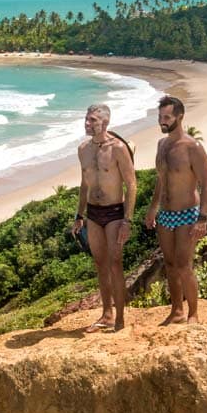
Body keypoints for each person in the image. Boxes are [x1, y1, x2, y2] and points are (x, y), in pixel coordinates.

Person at [144, 96, 207, 325]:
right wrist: (153, 208)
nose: (162, 121)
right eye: (160, 117)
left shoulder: (193, 147)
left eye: (166, 117)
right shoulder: (161, 145)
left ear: (179, 117)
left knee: (184, 265)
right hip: (165, 214)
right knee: (170, 265)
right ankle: (176, 311)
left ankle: (193, 313)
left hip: (187, 214)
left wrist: (202, 218)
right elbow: (161, 180)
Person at [72, 104, 137, 332]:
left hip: (114, 213)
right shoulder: (83, 149)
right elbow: (84, 184)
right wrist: (79, 215)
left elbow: (131, 185)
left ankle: (120, 319)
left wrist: (127, 220)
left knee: (115, 264)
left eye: (92, 120)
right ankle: (106, 314)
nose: (87, 124)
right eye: (86, 120)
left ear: (105, 123)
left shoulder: (118, 148)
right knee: (100, 265)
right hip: (93, 212)